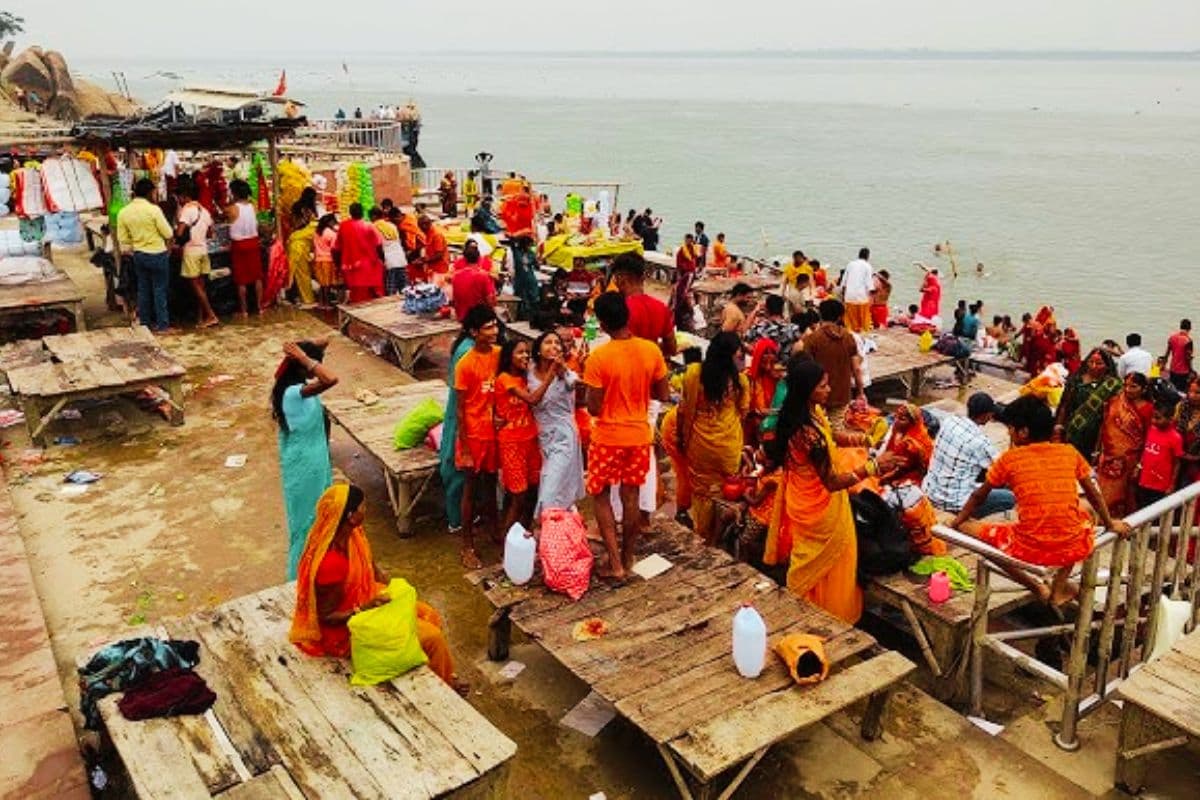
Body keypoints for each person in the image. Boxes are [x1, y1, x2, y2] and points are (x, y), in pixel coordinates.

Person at [950, 396, 1132, 606]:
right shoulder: (1069, 452)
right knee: (1085, 510)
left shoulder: (1009, 459)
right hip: (1073, 545)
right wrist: (1110, 524)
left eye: (1011, 429)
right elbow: (1094, 495)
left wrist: (956, 522)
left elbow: (978, 496)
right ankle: (1059, 585)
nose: (1009, 433)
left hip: (1030, 548)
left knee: (972, 531)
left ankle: (1036, 586)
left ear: (1023, 432)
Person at [761, 358, 901, 623]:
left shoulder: (807, 414)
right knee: (832, 562)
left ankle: (812, 609)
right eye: (823, 386)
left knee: (815, 562)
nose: (829, 389)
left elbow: (832, 436)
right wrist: (872, 467)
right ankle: (830, 616)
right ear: (808, 390)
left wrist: (864, 439)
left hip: (805, 500)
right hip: (820, 510)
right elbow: (832, 482)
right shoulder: (807, 434)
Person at [288, 484, 462, 691]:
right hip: (348, 630)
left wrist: (392, 592)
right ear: (351, 516)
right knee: (433, 639)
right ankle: (447, 684)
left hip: (369, 600)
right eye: (362, 506)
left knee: (428, 613)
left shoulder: (353, 534)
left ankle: (434, 671)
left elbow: (372, 568)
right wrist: (365, 608)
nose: (366, 509)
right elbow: (326, 617)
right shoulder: (332, 563)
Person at [583, 292, 670, 580]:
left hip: (607, 437)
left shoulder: (598, 357)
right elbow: (663, 394)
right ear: (627, 316)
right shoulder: (651, 350)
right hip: (638, 435)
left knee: (600, 495)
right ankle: (628, 557)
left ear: (602, 324)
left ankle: (615, 563)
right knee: (631, 497)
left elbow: (593, 408)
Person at [672, 333, 749, 543]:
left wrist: (680, 437)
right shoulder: (739, 381)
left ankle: (703, 533)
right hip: (728, 443)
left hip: (700, 443)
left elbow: (683, 410)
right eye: (738, 355)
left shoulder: (694, 373)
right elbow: (743, 412)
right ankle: (721, 535)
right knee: (728, 488)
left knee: (703, 492)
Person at [272, 339, 338, 579]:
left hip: (316, 460)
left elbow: (325, 339)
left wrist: (306, 348)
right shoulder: (292, 393)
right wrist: (304, 357)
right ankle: (297, 578)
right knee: (305, 524)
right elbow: (330, 379)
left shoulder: (300, 387)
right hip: (304, 465)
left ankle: (317, 571)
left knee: (321, 518)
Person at [454, 306, 502, 568]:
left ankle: (495, 531)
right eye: (487, 327)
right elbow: (460, 410)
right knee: (470, 490)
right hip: (473, 436)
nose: (493, 331)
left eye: (495, 325)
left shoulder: (500, 355)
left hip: (494, 434)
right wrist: (465, 449)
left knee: (491, 485)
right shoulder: (465, 364)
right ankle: (467, 545)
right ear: (474, 332)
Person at [922, 392, 1015, 518]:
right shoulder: (981, 442)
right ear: (987, 415)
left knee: (976, 467)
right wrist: (1012, 435)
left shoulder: (949, 421)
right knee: (1010, 497)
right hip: (955, 504)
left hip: (930, 492)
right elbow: (1006, 469)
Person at [495, 339, 552, 532]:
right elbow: (532, 399)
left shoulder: (525, 376)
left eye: (527, 352)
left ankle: (523, 534)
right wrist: (551, 375)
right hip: (512, 443)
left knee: (533, 490)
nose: (525, 356)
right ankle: (507, 538)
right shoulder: (505, 378)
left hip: (531, 439)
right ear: (508, 356)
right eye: (520, 352)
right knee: (518, 495)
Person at [528, 330, 586, 514]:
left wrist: (564, 372)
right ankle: (561, 524)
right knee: (550, 481)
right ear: (538, 349)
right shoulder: (528, 371)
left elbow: (580, 387)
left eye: (557, 343)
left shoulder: (566, 373)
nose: (553, 346)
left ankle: (547, 521)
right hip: (540, 436)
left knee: (550, 490)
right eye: (548, 342)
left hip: (563, 437)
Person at [116, 178, 175, 333]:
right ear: (150, 193)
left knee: (143, 290)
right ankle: (163, 325)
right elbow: (168, 233)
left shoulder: (124, 212)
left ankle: (145, 323)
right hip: (157, 254)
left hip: (139, 255)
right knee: (159, 290)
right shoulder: (153, 210)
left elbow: (123, 239)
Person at [1095, 372, 1153, 516]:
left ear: (1143, 389)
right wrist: (1097, 451)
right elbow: (1104, 427)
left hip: (1130, 460)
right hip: (1108, 457)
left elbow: (1148, 438)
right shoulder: (1114, 402)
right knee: (1103, 493)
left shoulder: (1148, 409)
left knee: (1126, 495)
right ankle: (1104, 521)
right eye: (1125, 385)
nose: (1128, 390)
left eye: (1133, 386)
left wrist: (1140, 464)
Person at [800, 299, 863, 430]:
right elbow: (857, 368)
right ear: (840, 317)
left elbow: (805, 370)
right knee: (837, 428)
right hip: (842, 393)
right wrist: (860, 392)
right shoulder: (848, 337)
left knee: (818, 429)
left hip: (817, 395)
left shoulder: (812, 339)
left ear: (820, 314)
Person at [1056, 347, 1123, 460]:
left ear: (1107, 366)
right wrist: (1058, 427)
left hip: (1097, 435)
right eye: (1091, 362)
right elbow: (1064, 404)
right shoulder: (1076, 380)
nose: (1094, 366)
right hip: (1073, 430)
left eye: (1099, 363)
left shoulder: (1113, 385)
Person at [174, 180, 218, 328]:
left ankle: (211, 315)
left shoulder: (187, 210)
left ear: (184, 196)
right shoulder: (204, 211)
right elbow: (211, 234)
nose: (179, 200)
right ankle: (201, 317)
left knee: (196, 286)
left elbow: (180, 232)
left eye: (179, 197)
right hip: (203, 250)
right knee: (201, 287)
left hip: (191, 251)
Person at [227, 179, 265, 318]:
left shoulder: (232, 209)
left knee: (241, 279)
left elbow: (225, 218)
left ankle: (244, 310)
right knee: (257, 277)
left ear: (234, 193)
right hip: (253, 243)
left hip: (239, 245)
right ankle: (260, 307)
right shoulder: (253, 207)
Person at [333, 203, 385, 303]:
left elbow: (336, 248)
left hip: (351, 267)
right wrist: (382, 259)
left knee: (357, 298)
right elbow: (379, 245)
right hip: (370, 266)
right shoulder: (369, 226)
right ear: (362, 212)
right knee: (374, 297)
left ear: (350, 213)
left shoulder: (343, 226)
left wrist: (338, 265)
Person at [1136, 401, 1185, 508]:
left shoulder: (1175, 438)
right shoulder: (1151, 430)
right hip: (1144, 481)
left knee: (1155, 512)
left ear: (1170, 419)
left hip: (1160, 485)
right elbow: (1145, 451)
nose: (1153, 421)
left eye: (1158, 418)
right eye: (1153, 417)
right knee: (1141, 509)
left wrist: (1172, 485)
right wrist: (1138, 468)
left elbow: (1177, 463)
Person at [745, 338, 782, 443]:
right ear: (757, 359)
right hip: (752, 426)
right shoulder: (747, 378)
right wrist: (758, 411)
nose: (768, 367)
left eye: (772, 362)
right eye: (764, 362)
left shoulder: (778, 376)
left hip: (772, 427)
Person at [450, 240, 497, 321]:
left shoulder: (456, 275)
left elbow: (454, 299)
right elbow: (490, 300)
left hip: (461, 315)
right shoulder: (483, 275)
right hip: (477, 316)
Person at [286, 200, 318, 307]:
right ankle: (305, 298)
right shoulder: (309, 226)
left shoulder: (309, 226)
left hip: (299, 251)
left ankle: (305, 298)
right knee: (301, 276)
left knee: (300, 276)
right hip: (298, 252)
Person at [370, 207, 407, 295]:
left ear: (373, 216)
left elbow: (377, 246)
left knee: (391, 291)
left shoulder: (373, 227)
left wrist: (382, 260)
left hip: (388, 261)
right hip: (401, 259)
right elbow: (399, 242)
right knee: (404, 290)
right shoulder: (392, 225)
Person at [838, 248, 874, 333]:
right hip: (862, 297)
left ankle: (851, 333)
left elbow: (844, 281)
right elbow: (869, 284)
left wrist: (843, 295)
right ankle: (862, 334)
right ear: (868, 256)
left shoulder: (850, 264)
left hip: (849, 296)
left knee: (850, 321)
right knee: (863, 321)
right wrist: (872, 296)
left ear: (859, 255)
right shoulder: (868, 266)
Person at [1176, 376, 1200, 488]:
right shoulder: (1182, 406)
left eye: (1197, 393)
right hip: (1178, 460)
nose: (1192, 396)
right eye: (1190, 391)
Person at [312, 214, 339, 308]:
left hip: (318, 260)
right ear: (330, 222)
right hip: (328, 260)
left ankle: (321, 303)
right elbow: (334, 249)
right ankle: (327, 303)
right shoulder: (331, 233)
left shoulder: (316, 232)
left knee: (322, 284)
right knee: (327, 284)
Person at [671, 233, 700, 310]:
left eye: (690, 240)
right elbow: (678, 264)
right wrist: (679, 275)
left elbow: (696, 259)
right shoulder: (682, 250)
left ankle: (690, 305)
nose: (688, 241)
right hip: (684, 273)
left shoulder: (694, 249)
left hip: (691, 273)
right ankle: (675, 305)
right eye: (687, 240)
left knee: (689, 290)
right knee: (679, 290)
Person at [1164, 319, 1194, 392]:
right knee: (1181, 391)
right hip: (1183, 371)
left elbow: (1167, 354)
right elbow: (1188, 357)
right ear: (1190, 328)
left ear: (1180, 326)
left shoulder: (1172, 338)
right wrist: (1191, 370)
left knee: (1173, 390)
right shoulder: (1188, 341)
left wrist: (1163, 365)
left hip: (1173, 369)